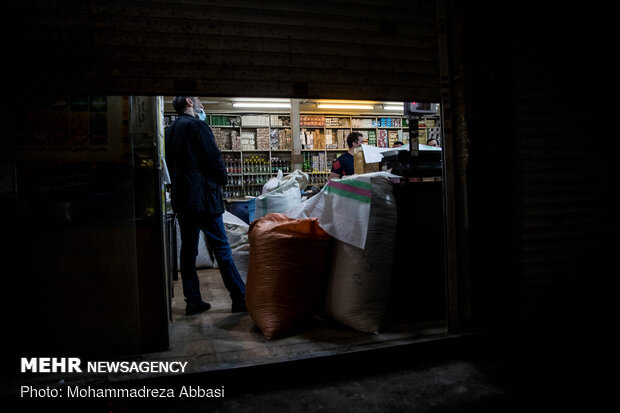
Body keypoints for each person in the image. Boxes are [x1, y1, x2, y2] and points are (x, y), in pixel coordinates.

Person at [165, 96, 247, 315]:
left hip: (183, 199)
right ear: (190, 102)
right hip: (204, 198)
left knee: (188, 250)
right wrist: (222, 179)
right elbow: (213, 158)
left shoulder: (170, 131)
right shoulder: (198, 126)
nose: (201, 103)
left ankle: (193, 301)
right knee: (221, 247)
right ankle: (239, 297)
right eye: (198, 99)